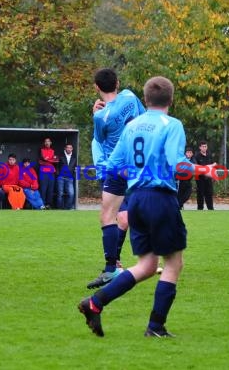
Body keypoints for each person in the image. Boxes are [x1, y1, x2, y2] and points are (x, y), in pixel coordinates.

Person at [78, 76, 213, 338]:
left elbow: (113, 164)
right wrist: (203, 169)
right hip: (160, 198)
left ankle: (94, 303)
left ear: (146, 99)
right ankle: (155, 326)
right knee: (173, 263)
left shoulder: (132, 126)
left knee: (148, 265)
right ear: (171, 100)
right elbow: (178, 165)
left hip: (136, 199)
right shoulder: (172, 125)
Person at [87, 68, 145, 289]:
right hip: (139, 164)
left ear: (97, 87)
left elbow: (99, 138)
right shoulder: (130, 96)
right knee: (125, 216)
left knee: (107, 215)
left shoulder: (101, 116)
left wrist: (95, 115)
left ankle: (112, 268)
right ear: (118, 83)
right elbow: (141, 117)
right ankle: (119, 263)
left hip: (117, 166)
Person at [194, 140, 214, 210]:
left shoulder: (209, 155)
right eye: (203, 146)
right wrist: (207, 167)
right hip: (200, 179)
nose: (204, 148)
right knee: (200, 195)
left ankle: (211, 209)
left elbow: (212, 166)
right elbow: (197, 167)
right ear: (200, 147)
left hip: (208, 179)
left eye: (205, 146)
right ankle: (200, 209)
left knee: (209, 194)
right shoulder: (197, 156)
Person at [39, 137, 58, 209]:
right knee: (43, 189)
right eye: (46, 141)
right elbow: (41, 160)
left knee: (50, 189)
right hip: (43, 172)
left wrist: (48, 160)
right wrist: (51, 160)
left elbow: (56, 160)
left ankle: (49, 205)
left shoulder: (53, 151)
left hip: (51, 172)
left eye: (48, 141)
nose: (47, 143)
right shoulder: (41, 150)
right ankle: (42, 204)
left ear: (51, 143)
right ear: (44, 143)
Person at [57, 143, 77, 209]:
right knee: (60, 194)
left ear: (72, 149)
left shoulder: (74, 157)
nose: (69, 149)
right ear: (65, 148)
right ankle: (59, 208)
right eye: (67, 148)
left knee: (71, 194)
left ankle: (67, 208)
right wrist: (58, 174)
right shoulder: (60, 155)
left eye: (70, 148)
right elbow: (57, 166)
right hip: (61, 177)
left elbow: (75, 167)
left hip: (70, 178)